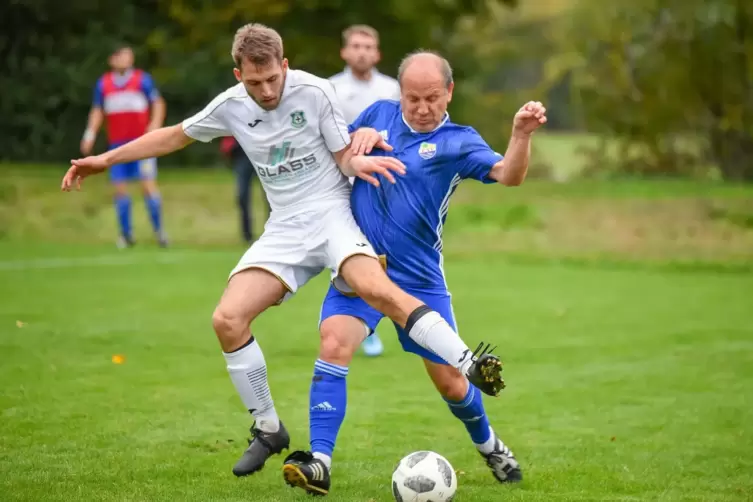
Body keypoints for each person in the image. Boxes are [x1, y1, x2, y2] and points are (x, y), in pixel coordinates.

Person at [62, 25, 504, 479]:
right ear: (239, 75)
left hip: (333, 214)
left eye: (273, 78)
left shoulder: (316, 92)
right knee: (227, 319)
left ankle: (469, 362)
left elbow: (344, 155)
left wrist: (361, 160)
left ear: (285, 66)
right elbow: (174, 135)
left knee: (377, 288)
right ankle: (269, 428)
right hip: (286, 227)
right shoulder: (230, 106)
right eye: (255, 83)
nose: (267, 90)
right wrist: (106, 159)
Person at [282, 51, 547, 496]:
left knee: (451, 381)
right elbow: (340, 154)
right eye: (412, 99)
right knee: (333, 343)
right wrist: (357, 134)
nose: (422, 109)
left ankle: (490, 446)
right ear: (397, 94)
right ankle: (320, 463)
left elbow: (509, 176)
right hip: (360, 267)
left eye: (431, 98)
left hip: (419, 280)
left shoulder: (459, 141)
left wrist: (520, 135)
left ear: (449, 93)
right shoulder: (378, 114)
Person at [328, 25, 402, 358]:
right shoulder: (330, 89)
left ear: (378, 53)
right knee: (350, 256)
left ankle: (377, 319)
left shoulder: (392, 89)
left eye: (368, 46)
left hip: (387, 186)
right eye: (356, 46)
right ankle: (361, 324)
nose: (362, 52)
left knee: (387, 256)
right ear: (345, 52)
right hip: (343, 185)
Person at [81, 45, 168, 248]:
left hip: (143, 144)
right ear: (112, 59)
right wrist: (89, 134)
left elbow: (158, 103)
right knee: (120, 189)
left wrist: (154, 125)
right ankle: (126, 235)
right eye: (122, 56)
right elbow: (97, 110)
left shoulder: (142, 79)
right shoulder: (104, 84)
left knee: (147, 186)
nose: (127, 59)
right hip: (118, 145)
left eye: (129, 55)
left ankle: (159, 232)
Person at [220, 136, 270, 244]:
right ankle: (247, 236)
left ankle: (272, 233)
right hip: (242, 154)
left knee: (271, 196)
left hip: (263, 153)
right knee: (242, 196)